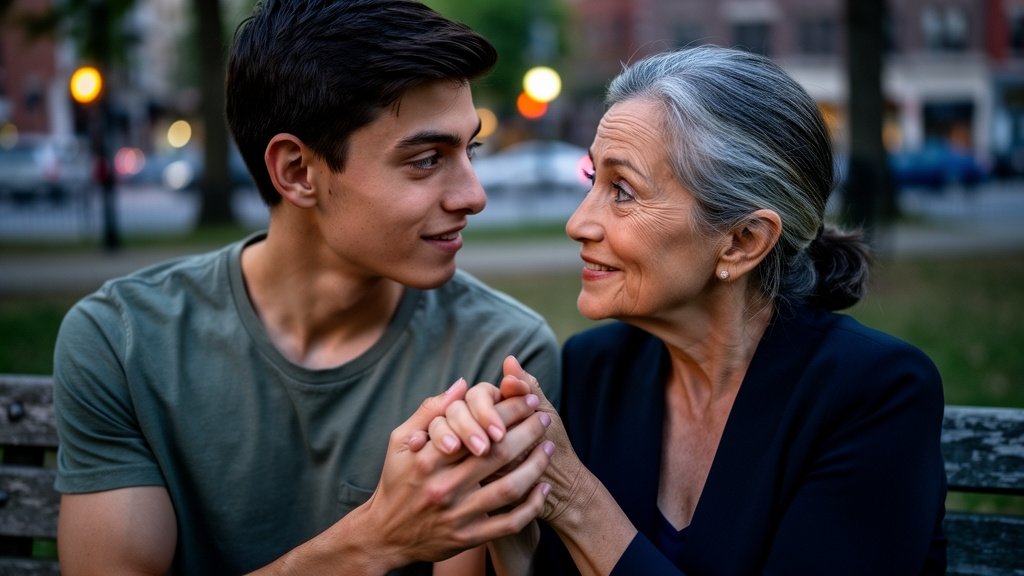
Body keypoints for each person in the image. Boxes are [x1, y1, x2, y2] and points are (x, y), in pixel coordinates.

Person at [51, 1, 560, 574]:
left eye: (471, 150)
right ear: (296, 171)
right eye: (425, 160)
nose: (474, 195)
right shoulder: (123, 342)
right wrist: (374, 539)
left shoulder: (502, 352)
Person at [435, 45, 947, 574]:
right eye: (594, 182)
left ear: (743, 241)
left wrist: (574, 500)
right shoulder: (597, 369)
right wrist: (504, 525)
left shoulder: (874, 393)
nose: (578, 223)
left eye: (624, 192)